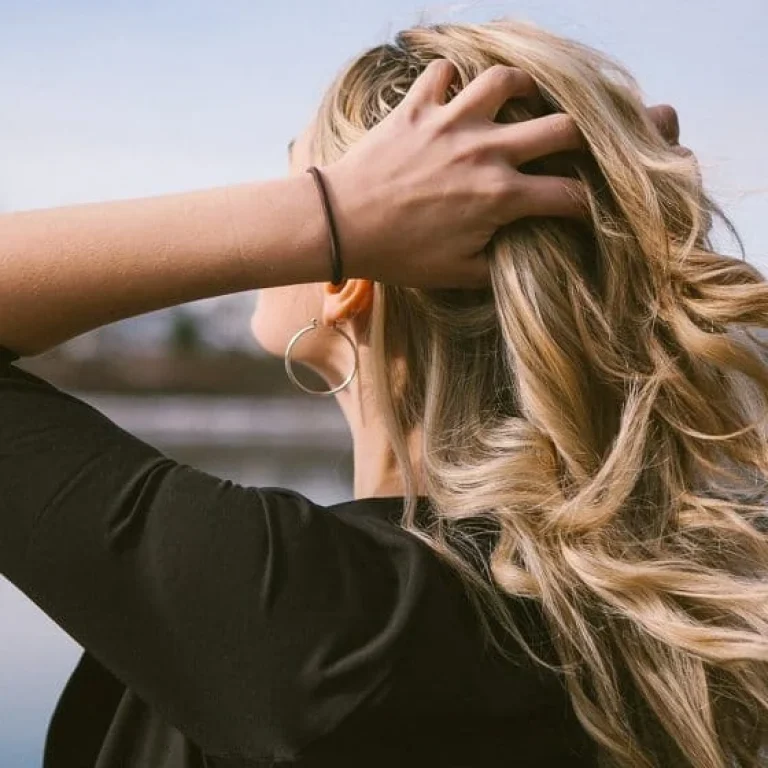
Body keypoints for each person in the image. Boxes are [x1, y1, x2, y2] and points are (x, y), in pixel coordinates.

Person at [0, 17, 764, 768]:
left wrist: (324, 214)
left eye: (304, 178)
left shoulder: (303, 612)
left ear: (347, 277)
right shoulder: (688, 604)